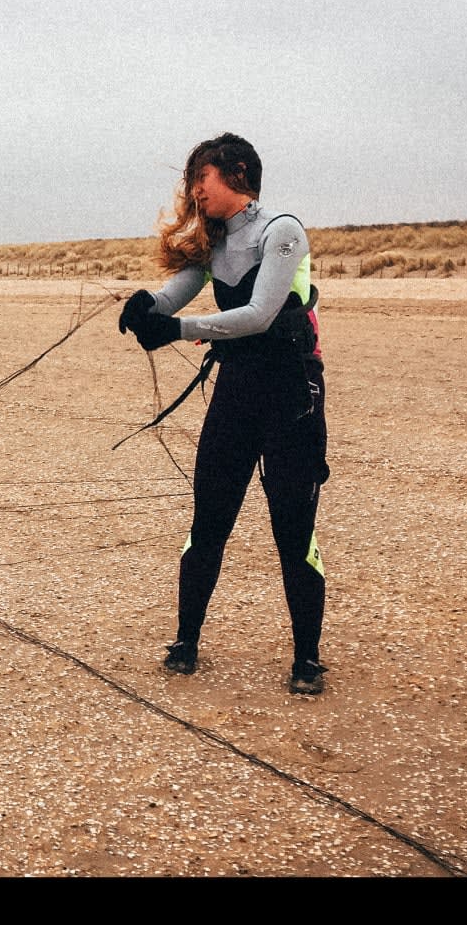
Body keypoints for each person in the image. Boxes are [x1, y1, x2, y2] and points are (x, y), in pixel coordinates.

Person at [117, 133, 330, 695]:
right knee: (209, 517)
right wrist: (145, 307)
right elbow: (174, 295)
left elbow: (260, 314)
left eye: (202, 179)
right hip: (236, 392)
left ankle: (307, 657)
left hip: (291, 395)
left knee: (292, 526)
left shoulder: (282, 231)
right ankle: (187, 640)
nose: (194, 191)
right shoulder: (215, 245)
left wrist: (177, 331)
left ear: (236, 173)